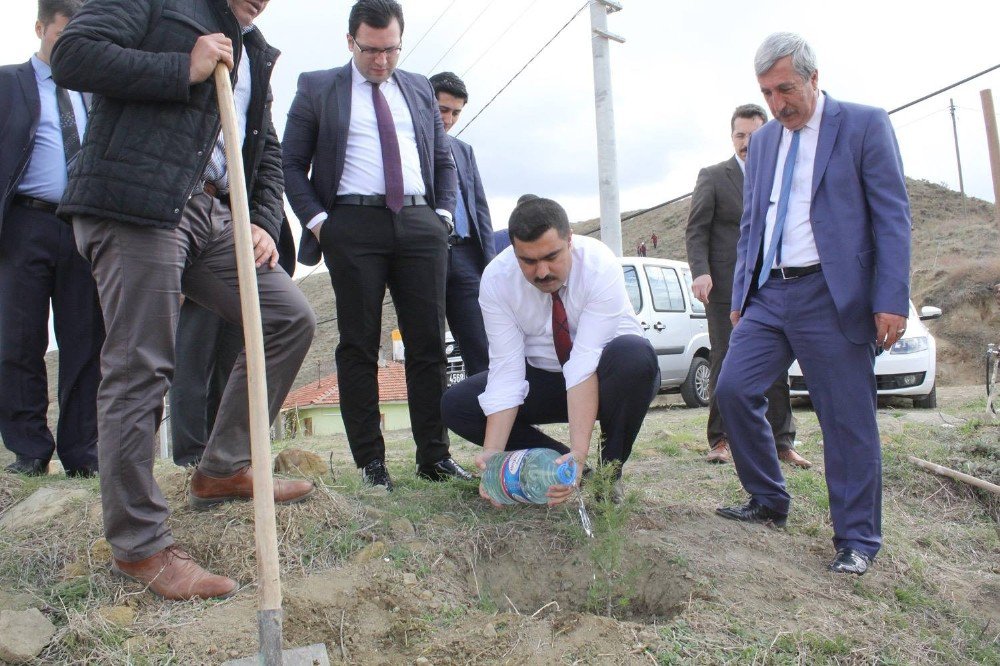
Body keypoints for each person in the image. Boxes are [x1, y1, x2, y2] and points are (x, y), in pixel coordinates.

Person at [51, 0, 317, 600]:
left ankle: (222, 467)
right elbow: (72, 55)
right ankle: (140, 546)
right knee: (141, 366)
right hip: (137, 204)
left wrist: (263, 220)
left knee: (286, 318)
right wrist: (182, 67)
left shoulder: (255, 48)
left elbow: (264, 147)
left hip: (215, 213)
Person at [714, 33, 911, 576]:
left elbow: (892, 216)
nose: (777, 104)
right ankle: (769, 499)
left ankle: (856, 539)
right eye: (767, 92)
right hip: (771, 292)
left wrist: (891, 298)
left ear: (813, 77)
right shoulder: (768, 142)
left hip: (833, 293)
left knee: (845, 419)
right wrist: (743, 291)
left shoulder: (864, 125)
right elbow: (754, 219)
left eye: (786, 89)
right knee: (732, 389)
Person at [282, 0, 472, 491]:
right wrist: (322, 223)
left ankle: (434, 457)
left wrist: (442, 215)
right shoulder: (317, 87)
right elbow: (290, 164)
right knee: (359, 346)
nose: (382, 61)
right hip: (352, 224)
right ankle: (371, 465)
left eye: (391, 50)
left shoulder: (418, 89)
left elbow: (442, 159)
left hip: (419, 224)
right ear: (351, 42)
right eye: (371, 50)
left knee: (429, 343)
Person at [441, 198, 660, 504]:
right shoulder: (497, 279)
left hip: (606, 376)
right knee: (458, 404)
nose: (541, 272)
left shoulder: (599, 265)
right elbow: (506, 372)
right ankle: (569, 473)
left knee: (633, 357)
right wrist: (493, 457)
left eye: (551, 256)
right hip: (546, 377)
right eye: (527, 261)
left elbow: (584, 362)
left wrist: (580, 452)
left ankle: (609, 474)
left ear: (570, 239)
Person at [0, 0, 104, 478]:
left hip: (85, 226)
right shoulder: (8, 83)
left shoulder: (98, 90)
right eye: (63, 36)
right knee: (18, 338)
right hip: (25, 223)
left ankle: (82, 453)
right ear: (40, 28)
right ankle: (29, 449)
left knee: (86, 341)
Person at [685, 104, 809, 469]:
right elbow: (696, 229)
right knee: (725, 358)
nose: (746, 143)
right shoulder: (713, 176)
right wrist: (701, 271)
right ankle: (721, 439)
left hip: (770, 285)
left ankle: (782, 441)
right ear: (732, 137)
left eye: (754, 136)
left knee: (775, 362)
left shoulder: (779, 175)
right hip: (724, 287)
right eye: (740, 135)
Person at [169, 219, 297, 468]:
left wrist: (265, 228)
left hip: (250, 252)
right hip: (199, 247)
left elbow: (269, 183)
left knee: (233, 365)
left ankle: (227, 457)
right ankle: (192, 460)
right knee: (192, 360)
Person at [429, 71, 495, 377]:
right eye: (443, 109)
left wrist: (489, 263)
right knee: (428, 348)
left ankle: (488, 422)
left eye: (456, 112)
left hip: (467, 257)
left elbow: (480, 208)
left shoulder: (464, 150)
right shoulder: (408, 149)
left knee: (480, 345)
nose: (449, 118)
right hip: (427, 256)